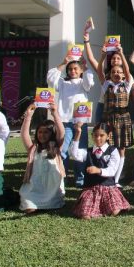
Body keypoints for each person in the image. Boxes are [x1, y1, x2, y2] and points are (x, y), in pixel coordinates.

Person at [46, 53, 95, 187]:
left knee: (80, 150)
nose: (72, 71)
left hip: (80, 122)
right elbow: (50, 79)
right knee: (63, 150)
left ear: (80, 71)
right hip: (65, 122)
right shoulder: (62, 82)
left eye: (75, 69)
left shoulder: (83, 83)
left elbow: (90, 82)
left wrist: (85, 67)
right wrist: (63, 62)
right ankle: (63, 175)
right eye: (70, 69)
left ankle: (80, 177)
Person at [69, 122, 130, 219]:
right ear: (92, 136)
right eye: (95, 135)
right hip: (91, 188)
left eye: (101, 135)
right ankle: (94, 209)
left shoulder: (113, 151)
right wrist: (78, 133)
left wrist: (98, 170)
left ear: (108, 136)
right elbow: (74, 154)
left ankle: (104, 209)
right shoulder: (88, 151)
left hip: (108, 188)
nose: (98, 138)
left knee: (115, 211)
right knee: (85, 215)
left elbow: (112, 170)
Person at [18, 103, 66, 212]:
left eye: (46, 132)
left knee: (53, 203)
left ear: (52, 134)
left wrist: (55, 114)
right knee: (28, 205)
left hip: (52, 189)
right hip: (35, 187)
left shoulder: (56, 146)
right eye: (39, 132)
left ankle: (49, 203)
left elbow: (62, 132)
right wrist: (28, 116)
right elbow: (24, 134)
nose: (42, 135)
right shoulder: (33, 148)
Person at [101, 61, 134, 185]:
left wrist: (121, 54)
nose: (116, 74)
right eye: (113, 72)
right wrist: (103, 56)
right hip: (109, 119)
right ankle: (107, 176)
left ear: (124, 75)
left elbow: (127, 70)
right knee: (107, 148)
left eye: (119, 72)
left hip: (123, 119)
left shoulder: (126, 85)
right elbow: (99, 71)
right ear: (109, 74)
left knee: (121, 149)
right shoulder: (106, 85)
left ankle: (116, 179)